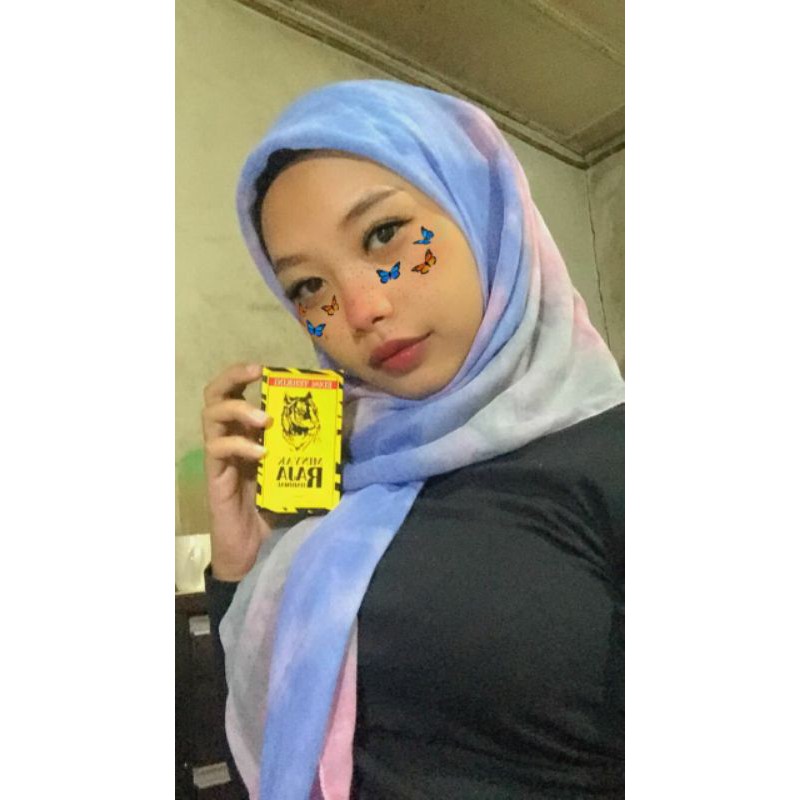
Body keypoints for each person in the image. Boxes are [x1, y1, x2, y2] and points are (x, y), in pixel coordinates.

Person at [201, 79, 625, 800]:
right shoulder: (346, 484)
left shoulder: (619, 456)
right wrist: (242, 564)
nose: (360, 309)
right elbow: (271, 718)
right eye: (308, 287)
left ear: (483, 209)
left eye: (382, 235)